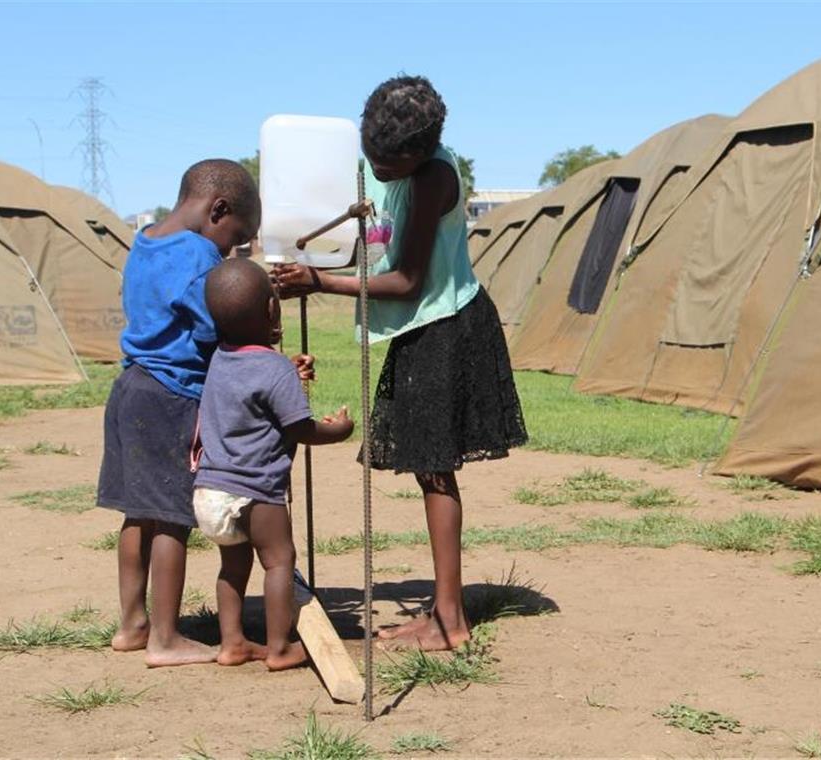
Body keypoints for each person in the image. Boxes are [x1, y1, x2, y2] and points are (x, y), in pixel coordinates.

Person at [273, 75, 528, 651]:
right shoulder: (402, 169)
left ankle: (450, 622)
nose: (380, 171)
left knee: (436, 469)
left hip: (446, 326)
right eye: (373, 158)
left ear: (419, 151)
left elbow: (408, 281)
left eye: (390, 165)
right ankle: (443, 609)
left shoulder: (433, 176)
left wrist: (319, 283)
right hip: (426, 326)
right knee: (428, 469)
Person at [95, 158, 313, 667]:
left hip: (129, 388)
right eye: (235, 240)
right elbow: (216, 328)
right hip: (171, 393)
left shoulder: (144, 239)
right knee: (172, 518)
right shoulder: (197, 255)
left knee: (138, 513)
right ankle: (166, 638)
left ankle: (132, 624)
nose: (229, 255)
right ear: (218, 210)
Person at [192, 258, 354, 670]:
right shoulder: (275, 369)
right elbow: (301, 429)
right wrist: (339, 431)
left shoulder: (219, 359)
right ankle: (279, 647)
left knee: (233, 564)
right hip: (255, 492)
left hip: (209, 492)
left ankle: (233, 644)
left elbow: (255, 394)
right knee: (280, 560)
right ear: (270, 309)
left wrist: (287, 373)